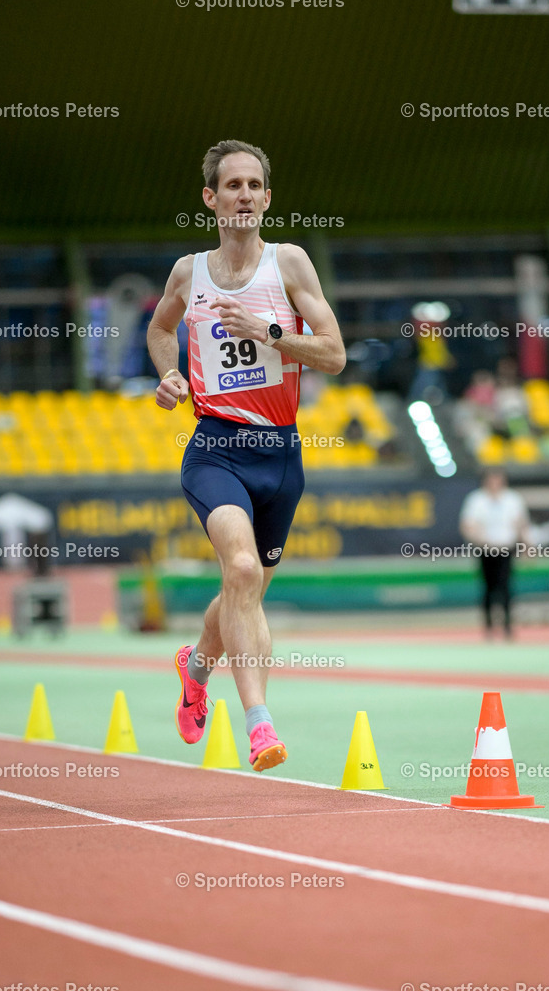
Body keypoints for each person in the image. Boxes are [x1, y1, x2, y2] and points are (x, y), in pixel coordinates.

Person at [147, 139, 345, 771]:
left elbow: (335, 355)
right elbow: (158, 329)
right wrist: (171, 375)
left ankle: (196, 663)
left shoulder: (289, 265)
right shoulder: (189, 273)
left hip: (280, 454)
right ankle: (260, 724)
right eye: (232, 185)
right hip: (216, 449)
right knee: (240, 569)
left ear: (267, 196)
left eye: (255, 185)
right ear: (211, 198)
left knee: (248, 588)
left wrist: (268, 332)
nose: (245, 196)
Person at [459, 468, 530, 640]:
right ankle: (489, 626)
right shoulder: (477, 500)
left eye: (498, 480)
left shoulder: (512, 499)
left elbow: (521, 523)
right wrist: (478, 539)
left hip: (505, 548)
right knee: (488, 588)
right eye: (492, 480)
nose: (495, 484)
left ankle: (507, 625)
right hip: (485, 549)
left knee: (505, 587)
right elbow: (467, 525)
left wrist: (527, 545)